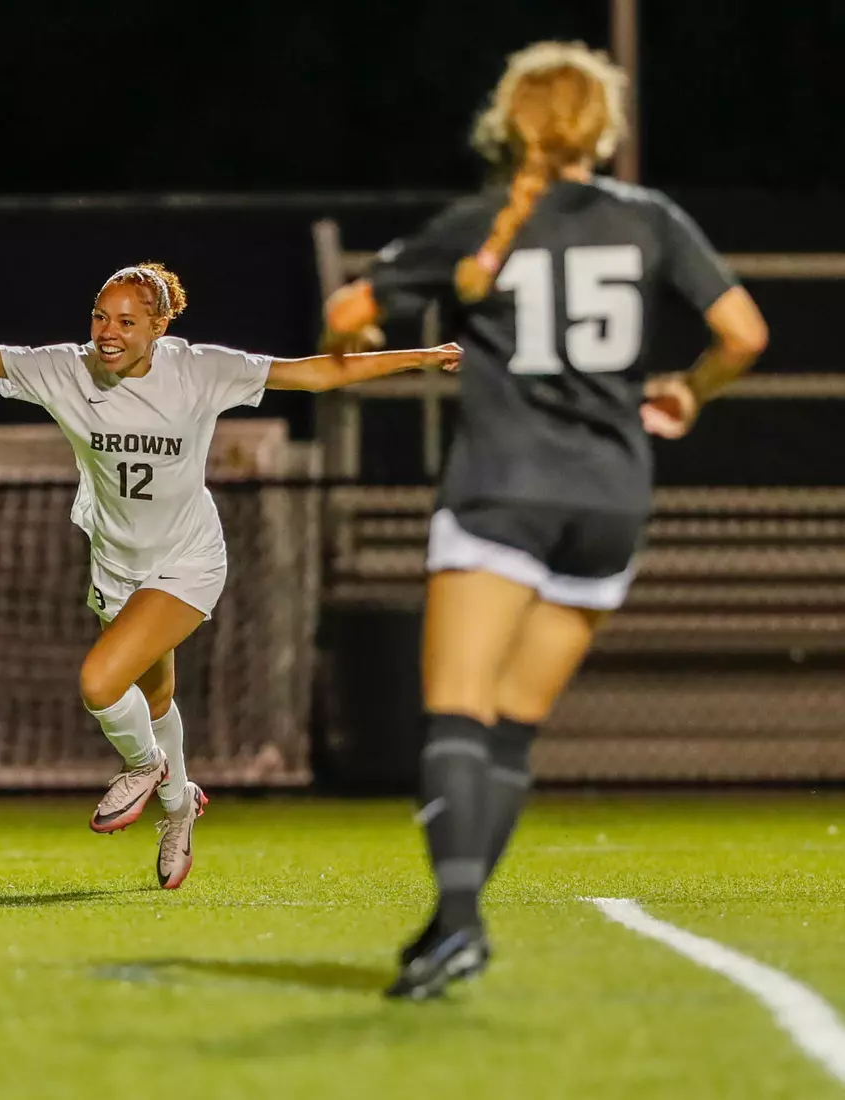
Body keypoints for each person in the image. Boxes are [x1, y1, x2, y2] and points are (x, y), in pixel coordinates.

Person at [324, 40, 768, 999]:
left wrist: (349, 329)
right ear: (601, 132)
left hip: (499, 489)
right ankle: (452, 924)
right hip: (610, 501)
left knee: (455, 710)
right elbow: (743, 335)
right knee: (513, 730)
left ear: (508, 124)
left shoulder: (479, 222)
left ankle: (458, 920)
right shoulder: (649, 219)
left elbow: (351, 304)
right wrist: (690, 393)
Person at [0, 259, 460, 888]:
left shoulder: (199, 370)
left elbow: (311, 374)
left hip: (187, 562)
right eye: (100, 316)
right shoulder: (68, 370)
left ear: (159, 325)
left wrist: (418, 357)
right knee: (152, 699)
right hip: (116, 566)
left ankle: (147, 768)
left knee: (99, 683)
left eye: (127, 320)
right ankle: (180, 808)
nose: (108, 332)